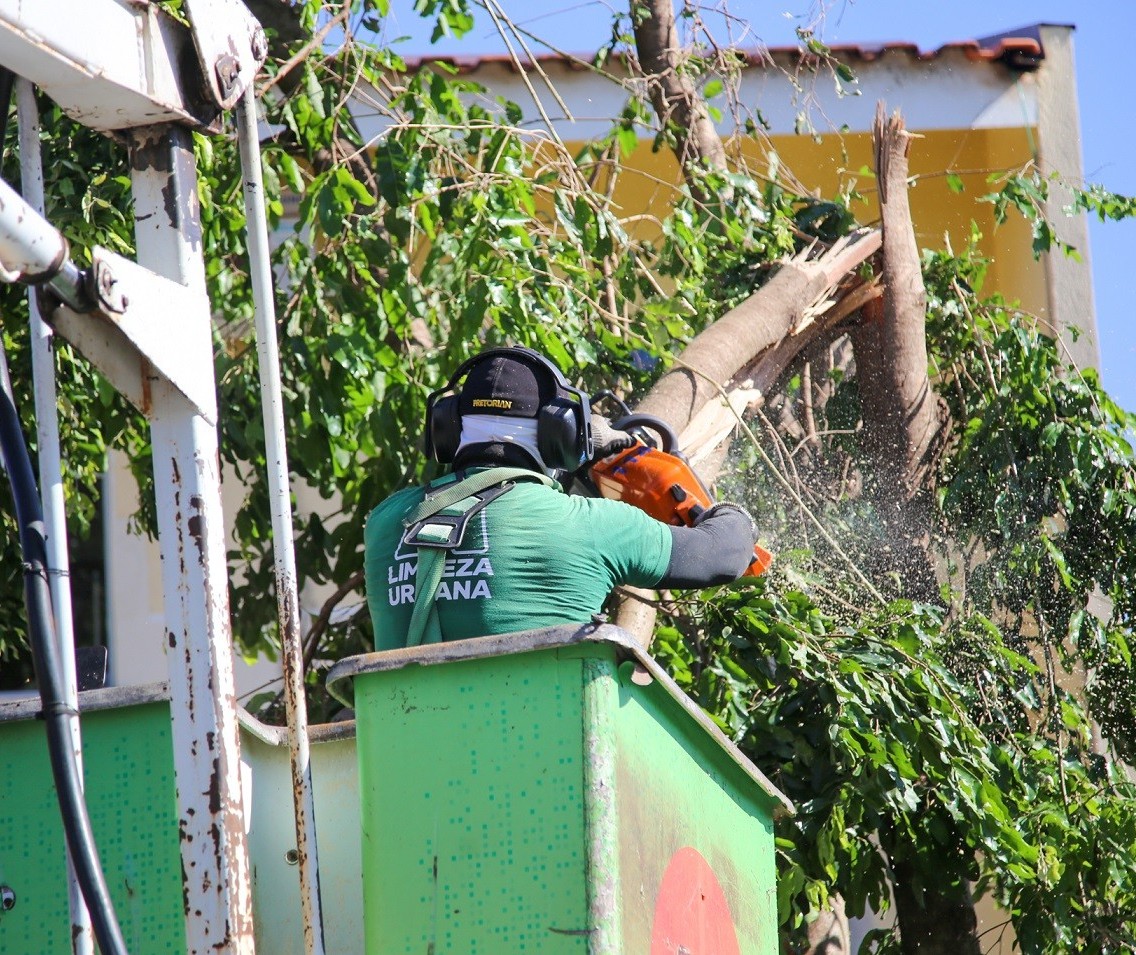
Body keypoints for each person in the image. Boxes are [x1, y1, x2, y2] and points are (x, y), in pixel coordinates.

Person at [363, 345, 758, 650]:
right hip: (549, 745)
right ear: (563, 436)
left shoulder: (384, 522)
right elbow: (723, 556)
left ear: (445, 429)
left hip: (410, 745)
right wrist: (728, 512)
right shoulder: (591, 525)